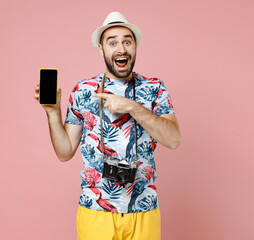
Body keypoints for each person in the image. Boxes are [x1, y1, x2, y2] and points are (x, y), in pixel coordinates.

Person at [34, 11, 181, 240]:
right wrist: (53, 114)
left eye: (127, 41)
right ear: (102, 49)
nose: (121, 49)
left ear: (134, 47)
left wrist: (131, 106)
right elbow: (64, 153)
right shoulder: (83, 90)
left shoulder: (155, 88)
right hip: (95, 212)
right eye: (112, 42)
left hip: (144, 209)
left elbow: (173, 139)